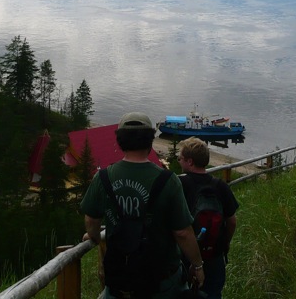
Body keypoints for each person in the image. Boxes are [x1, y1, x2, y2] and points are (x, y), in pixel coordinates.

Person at [81, 112, 205, 298]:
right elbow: (182, 232)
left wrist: (95, 237)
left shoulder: (103, 178)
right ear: (150, 140)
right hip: (161, 279)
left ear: (120, 141)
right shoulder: (168, 180)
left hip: (121, 279)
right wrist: (197, 265)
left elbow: (91, 220)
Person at [178, 137, 239, 299]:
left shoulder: (179, 184)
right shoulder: (220, 186)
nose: (179, 162)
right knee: (213, 294)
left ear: (190, 162)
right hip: (214, 255)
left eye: (180, 159)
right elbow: (232, 221)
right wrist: (224, 243)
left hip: (185, 256)